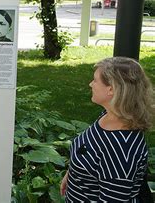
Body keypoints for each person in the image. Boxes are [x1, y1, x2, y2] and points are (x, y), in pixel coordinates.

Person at [60, 57, 154, 202]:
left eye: (95, 80)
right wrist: (73, 174)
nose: (90, 84)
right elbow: (88, 151)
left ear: (111, 89)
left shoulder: (121, 150)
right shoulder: (111, 115)